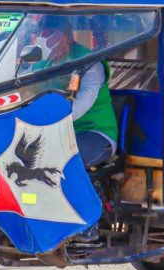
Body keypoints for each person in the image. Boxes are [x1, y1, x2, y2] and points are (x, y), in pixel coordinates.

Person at [35, 15, 118, 167]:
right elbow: (25, 92)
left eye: (50, 34)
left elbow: (80, 105)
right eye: (42, 34)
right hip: (53, 131)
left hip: (93, 132)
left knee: (52, 158)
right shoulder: (40, 63)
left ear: (65, 35)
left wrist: (43, 119)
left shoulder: (88, 62)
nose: (44, 40)